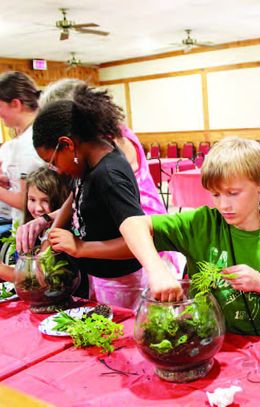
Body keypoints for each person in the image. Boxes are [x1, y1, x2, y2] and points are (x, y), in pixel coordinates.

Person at [120, 137, 260, 341]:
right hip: (211, 339)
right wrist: (157, 271)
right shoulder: (202, 223)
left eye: (233, 193)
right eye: (216, 195)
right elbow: (132, 224)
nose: (224, 205)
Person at [27, 84, 179, 309]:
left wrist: (80, 248)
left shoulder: (109, 176)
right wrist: (50, 236)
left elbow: (136, 239)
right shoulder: (88, 158)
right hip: (103, 278)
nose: (55, 170)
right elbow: (76, 193)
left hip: (123, 284)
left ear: (68, 144)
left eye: (53, 161)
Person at [0, 166, 71, 281]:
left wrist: (2, 269)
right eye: (32, 200)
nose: (38, 208)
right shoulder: (32, 230)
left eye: (45, 201)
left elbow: (37, 280)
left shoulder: (56, 235)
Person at [0, 72, 45, 225]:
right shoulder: (29, 134)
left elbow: (24, 201)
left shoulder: (28, 143)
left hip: (33, 228)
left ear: (15, 104)